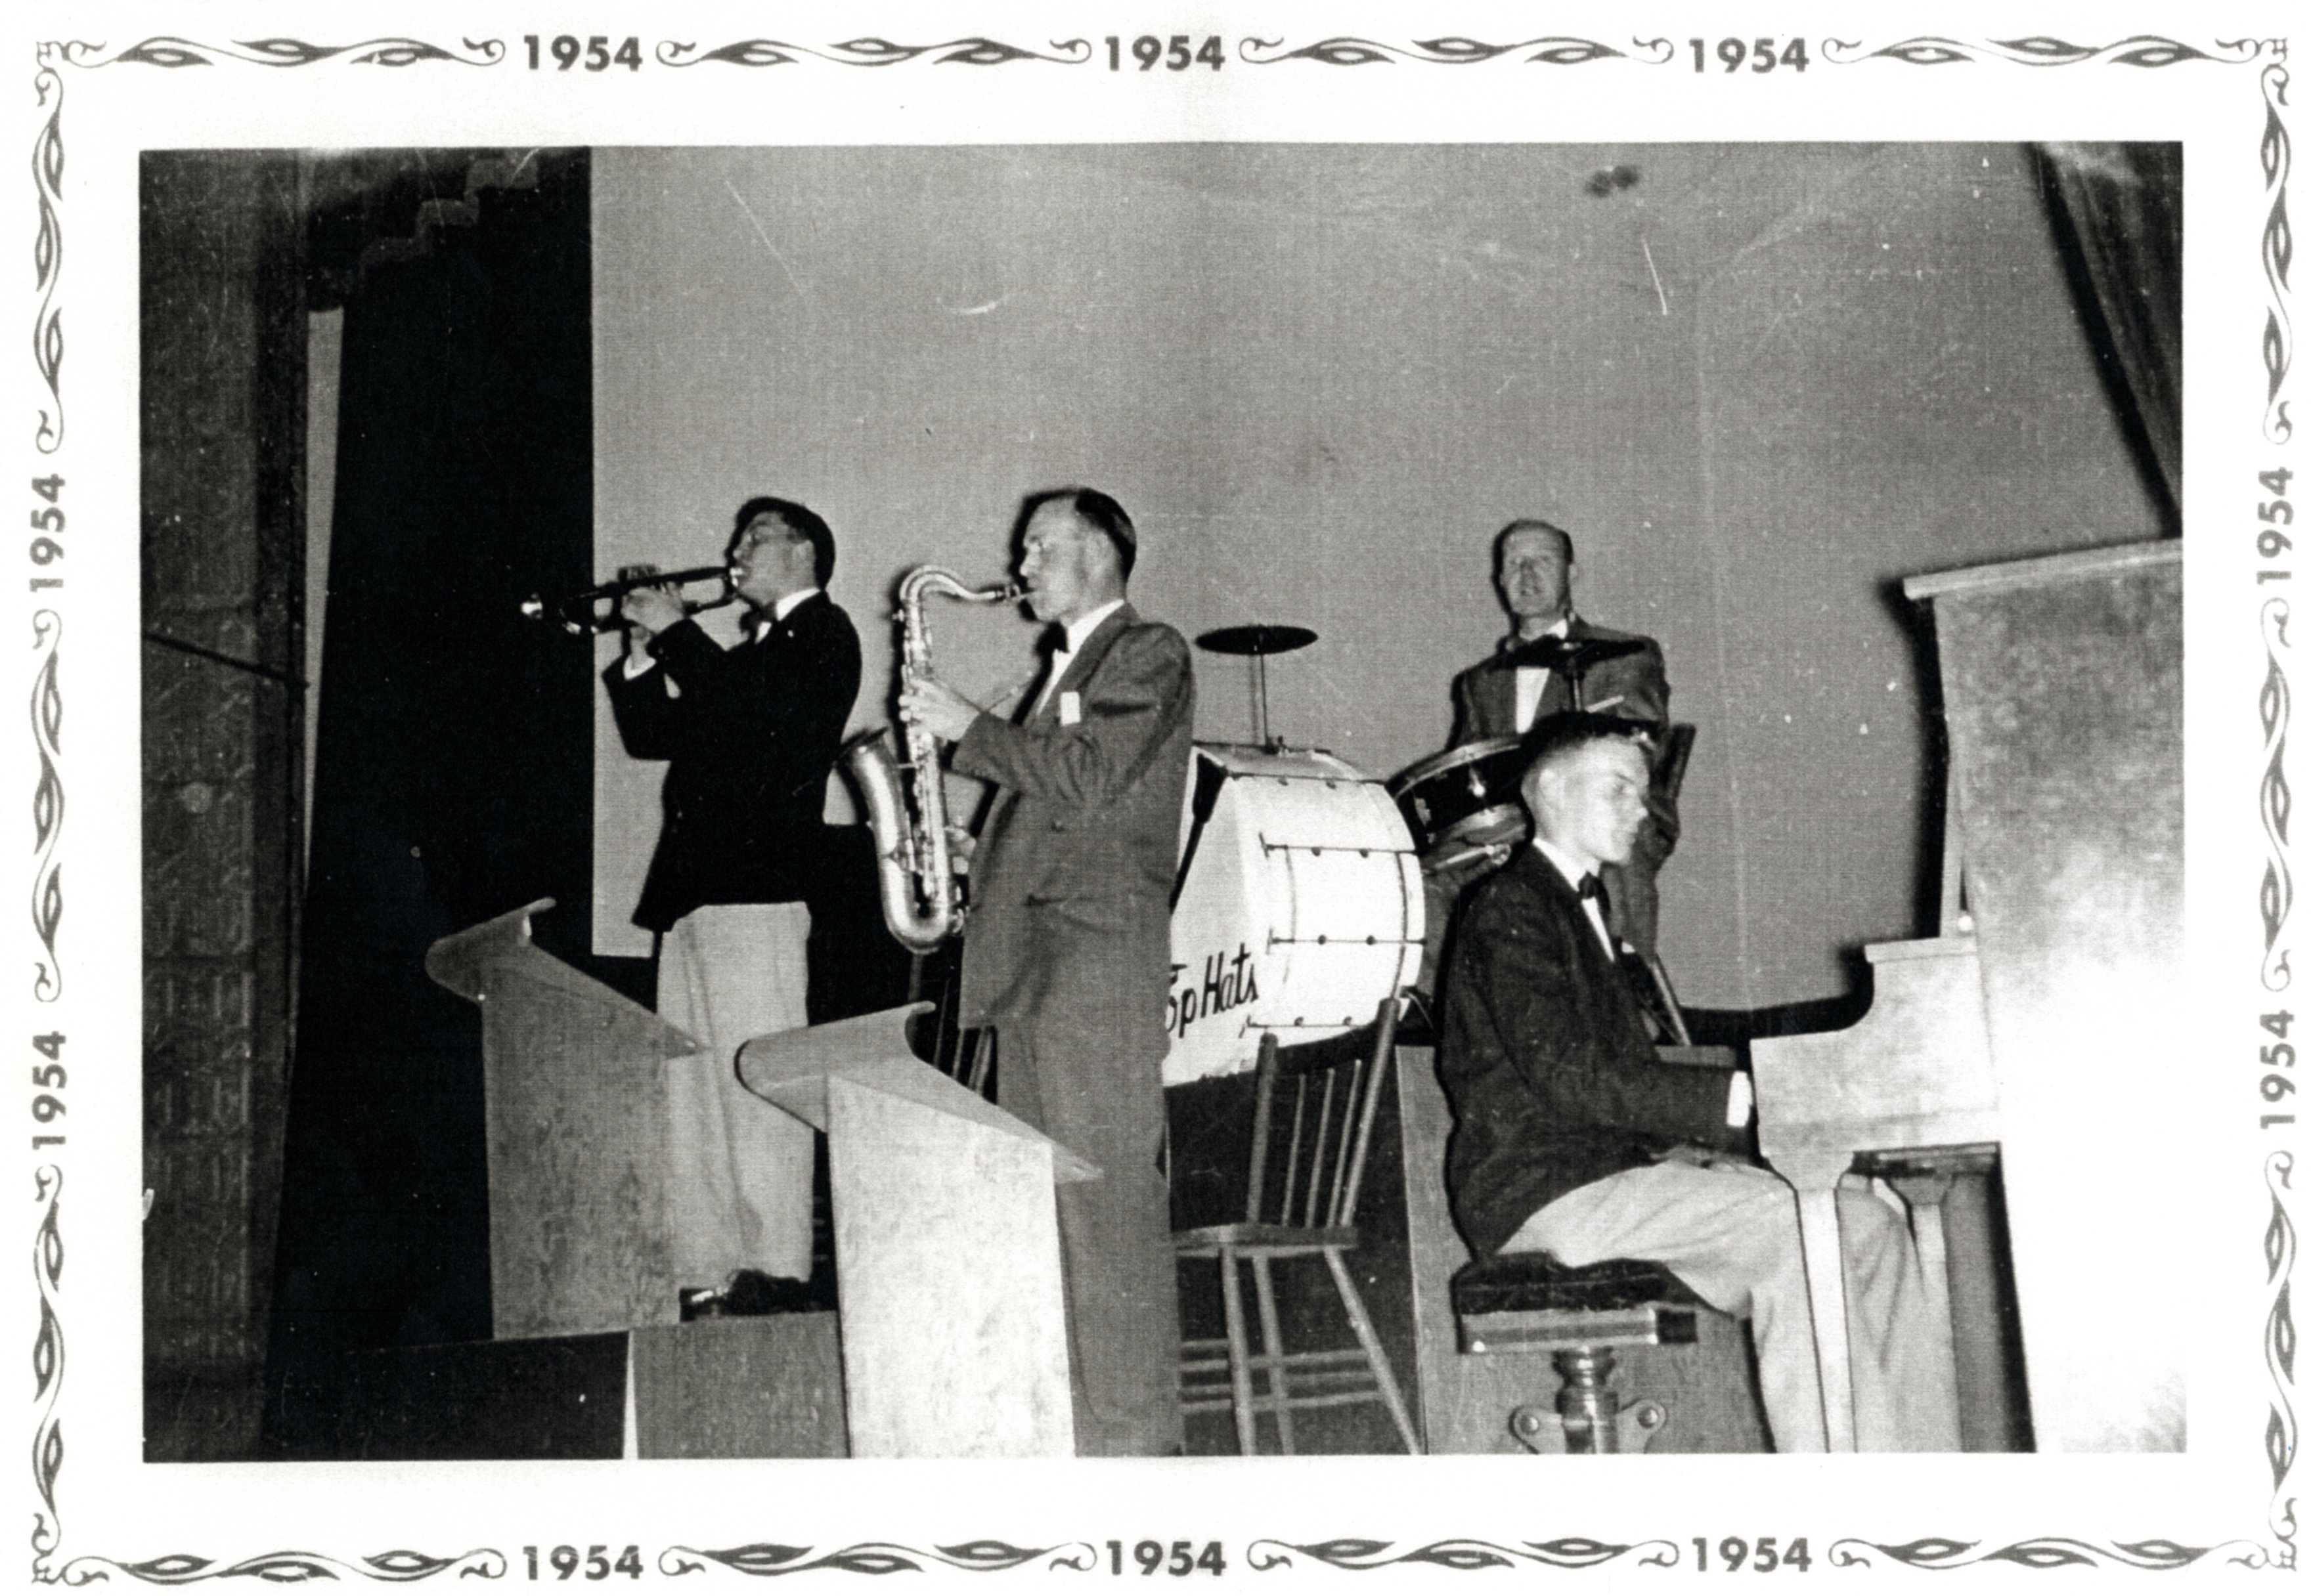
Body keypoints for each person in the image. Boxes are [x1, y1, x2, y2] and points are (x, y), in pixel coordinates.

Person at [1438, 714, 1959, 1452]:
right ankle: (1847, 1487)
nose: (1641, 810)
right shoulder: (1509, 906)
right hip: (1543, 1190)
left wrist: (1710, 1151)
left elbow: (1614, 1091)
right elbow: (1572, 1079)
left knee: (1869, 1224)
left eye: (1642, 793)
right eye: (1619, 789)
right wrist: (1742, 1102)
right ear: (1550, 789)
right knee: (1798, 1234)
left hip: (1607, 1177)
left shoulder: (1585, 908)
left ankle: (1931, 1474)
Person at [899, 487, 1194, 1456]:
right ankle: (1077, 1431)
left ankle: (1134, 1440)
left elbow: (1088, 775)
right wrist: (975, 851)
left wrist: (965, 728)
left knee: (1102, 1206)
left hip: (1092, 961)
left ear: (1100, 554)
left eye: (1040, 547)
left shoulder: (1147, 649)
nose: (1019, 565)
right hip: (1034, 966)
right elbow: (1060, 807)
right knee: (1050, 1211)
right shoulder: (1059, 670)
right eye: (1024, 548)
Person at [604, 496, 861, 1312]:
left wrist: (676, 630)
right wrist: (642, 648)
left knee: (756, 1087)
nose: (735, 550)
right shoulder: (747, 654)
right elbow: (653, 734)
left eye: (756, 537)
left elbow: (759, 718)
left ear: (806, 553)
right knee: (692, 1096)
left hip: (758, 890)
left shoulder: (825, 632)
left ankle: (774, 1267)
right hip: (694, 893)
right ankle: (706, 1268)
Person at [1446, 519, 1675, 959]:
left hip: (1606, 814)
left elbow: (1642, 753)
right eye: (1515, 563)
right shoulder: (1481, 681)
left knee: (1604, 850)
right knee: (1433, 878)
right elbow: (1466, 777)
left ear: (1571, 573)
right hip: (1511, 828)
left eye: (1542, 561)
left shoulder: (1625, 656)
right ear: (1500, 580)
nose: (1527, 574)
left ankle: (1619, 991)